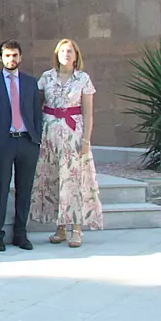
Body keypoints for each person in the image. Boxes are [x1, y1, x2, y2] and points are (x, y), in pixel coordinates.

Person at [31, 39, 103, 248]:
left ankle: (77, 229)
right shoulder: (46, 77)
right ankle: (60, 228)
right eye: (62, 51)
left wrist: (86, 139)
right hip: (50, 135)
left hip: (73, 134)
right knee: (54, 179)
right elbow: (38, 104)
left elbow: (88, 112)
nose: (66, 54)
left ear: (76, 55)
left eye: (70, 51)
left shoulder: (83, 79)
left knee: (74, 180)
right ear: (57, 54)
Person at [0, 40, 42, 252]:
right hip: (4, 141)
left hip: (27, 141)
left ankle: (21, 233)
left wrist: (36, 138)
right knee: (1, 187)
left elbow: (37, 113)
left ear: (21, 57)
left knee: (24, 189)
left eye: (15, 55)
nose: (12, 59)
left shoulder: (30, 82)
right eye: (7, 56)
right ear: (0, 58)